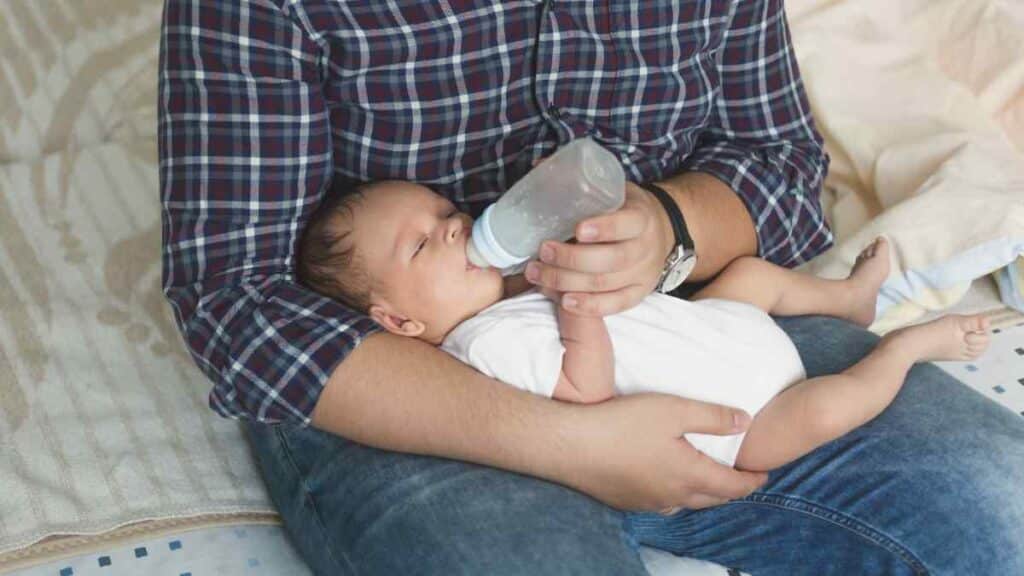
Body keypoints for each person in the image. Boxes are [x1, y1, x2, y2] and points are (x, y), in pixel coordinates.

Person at [159, 0, 1024, 573]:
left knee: (1002, 510)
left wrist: (671, 225)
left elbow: (786, 171)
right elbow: (239, 298)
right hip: (406, 388)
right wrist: (569, 441)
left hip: (686, 330)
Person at [295, 179, 991, 484]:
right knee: (832, 405)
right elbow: (582, 391)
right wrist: (577, 305)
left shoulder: (505, 290)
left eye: (444, 212)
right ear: (398, 322)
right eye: (422, 246)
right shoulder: (480, 347)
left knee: (749, 275)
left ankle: (851, 299)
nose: (451, 226)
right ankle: (909, 345)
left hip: (713, 327)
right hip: (742, 423)